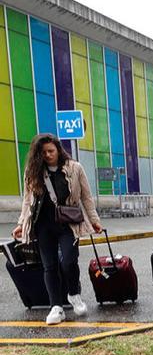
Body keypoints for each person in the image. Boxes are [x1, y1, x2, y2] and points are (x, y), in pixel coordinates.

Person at [12, 133, 103, 324]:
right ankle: (56, 307)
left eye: (51, 151)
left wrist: (94, 220)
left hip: (68, 224)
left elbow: (86, 197)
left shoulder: (75, 168)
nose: (47, 155)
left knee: (69, 261)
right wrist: (21, 224)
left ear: (58, 150)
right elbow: (27, 200)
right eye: (43, 152)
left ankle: (74, 294)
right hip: (43, 225)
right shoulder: (34, 170)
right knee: (49, 266)